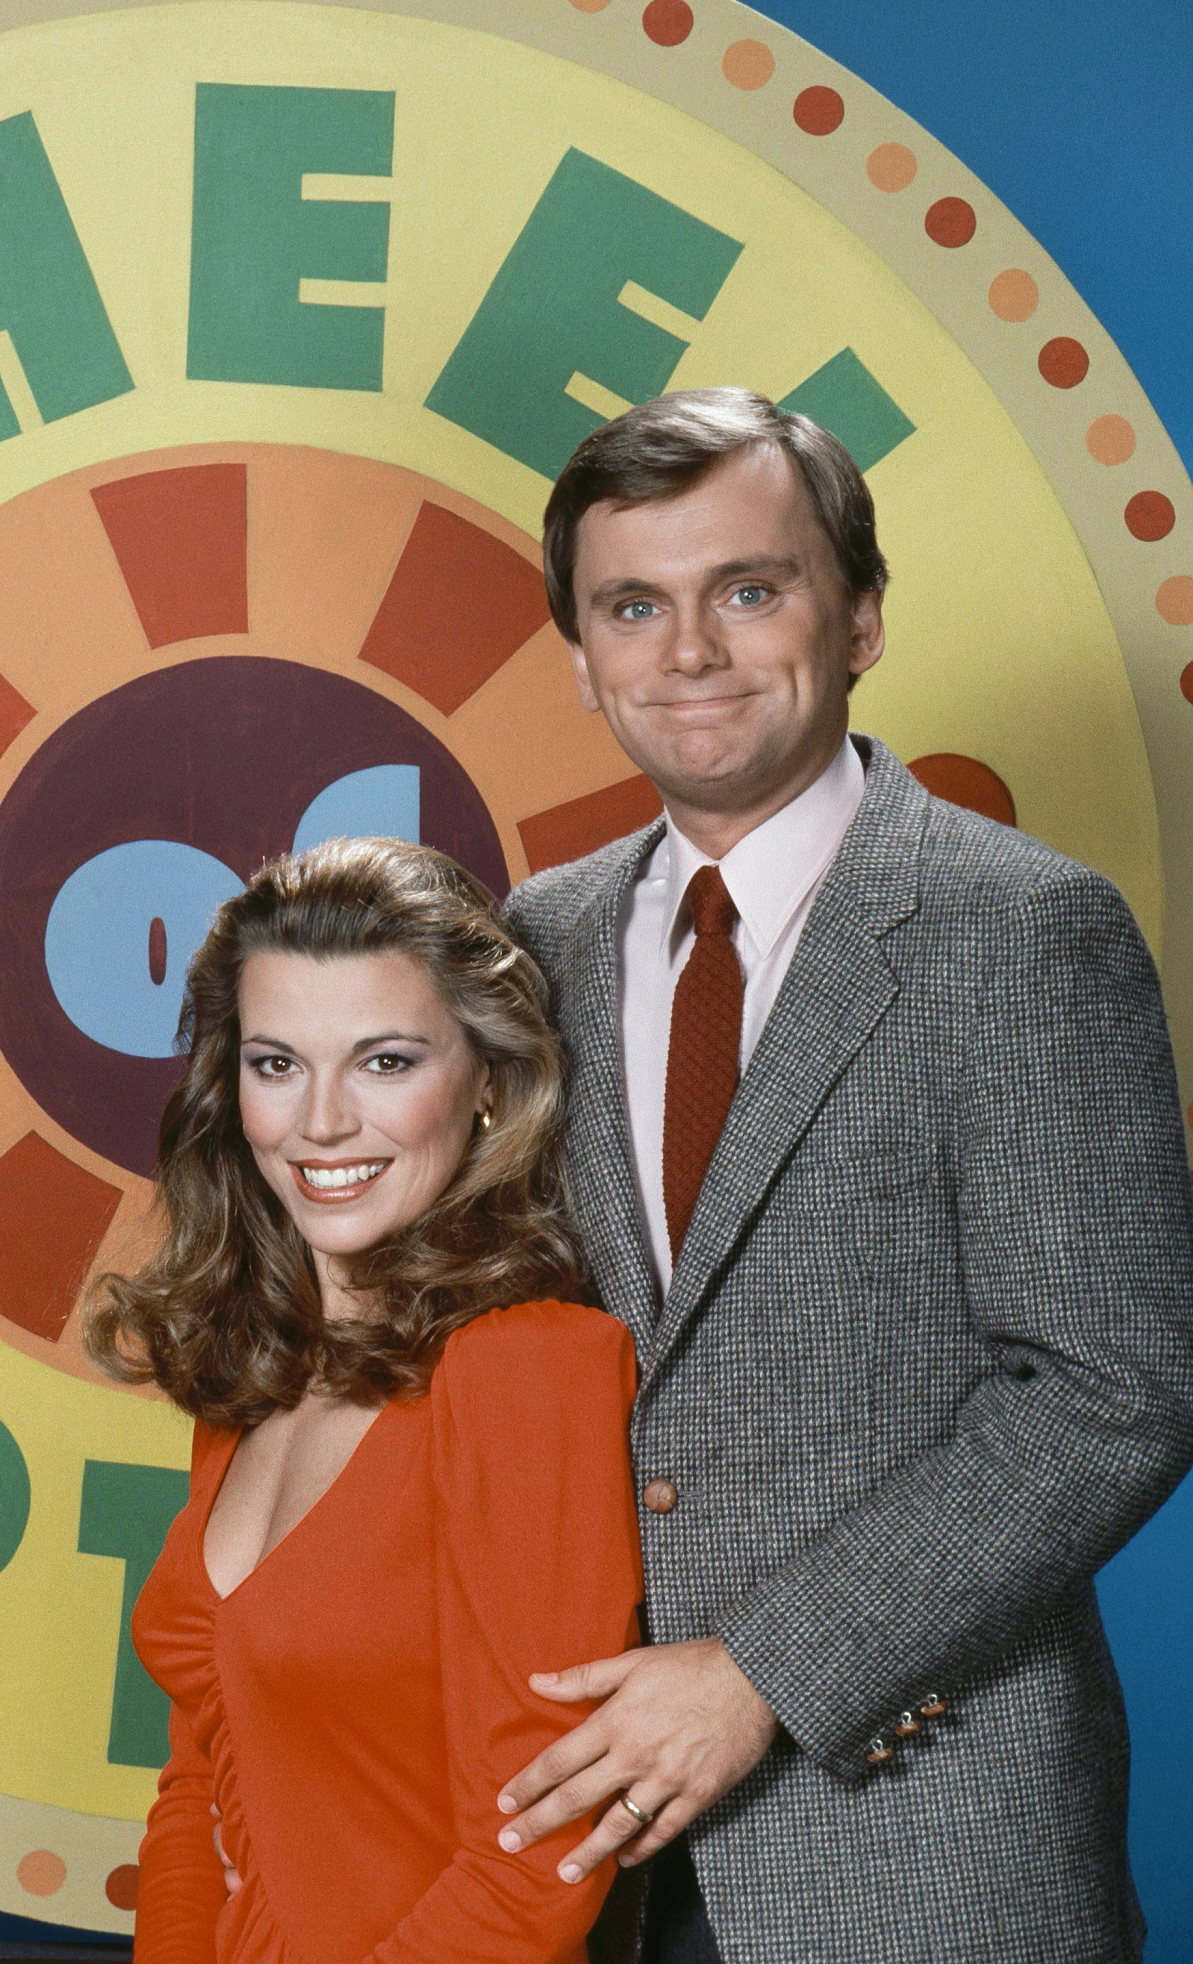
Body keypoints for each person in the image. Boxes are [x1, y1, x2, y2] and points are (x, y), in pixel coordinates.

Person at [495, 387, 1193, 1964]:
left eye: (748, 590)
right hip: (581, 1854)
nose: (689, 651)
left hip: (921, 1847)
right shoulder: (534, 940)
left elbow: (1115, 1387)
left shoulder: (1021, 930)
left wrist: (763, 1673)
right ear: (582, 656)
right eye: (632, 607)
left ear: (860, 616)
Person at [88, 837, 644, 1964]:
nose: (322, 1121)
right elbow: (197, 1781)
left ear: (489, 1083)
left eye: (385, 1061)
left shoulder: (527, 1369)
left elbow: (535, 1861)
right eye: (276, 1063)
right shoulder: (255, 1372)